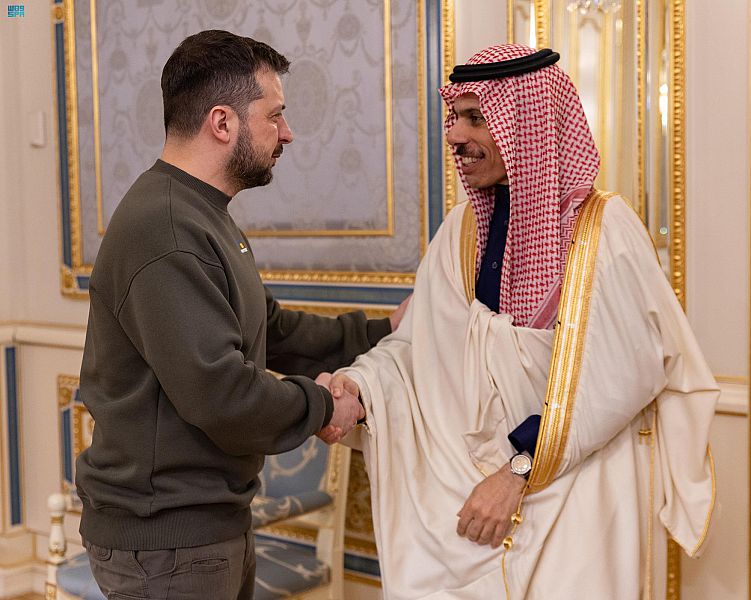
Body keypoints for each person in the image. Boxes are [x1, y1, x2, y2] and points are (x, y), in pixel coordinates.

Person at [323, 44, 718, 599]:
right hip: (470, 493)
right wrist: (361, 388)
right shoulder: (460, 231)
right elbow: (417, 351)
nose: (454, 135)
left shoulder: (605, 232)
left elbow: (615, 378)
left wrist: (517, 471)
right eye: (454, 117)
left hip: (580, 494)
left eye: (475, 118)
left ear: (527, 126)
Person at [75, 30, 407, 600]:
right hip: (167, 545)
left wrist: (382, 332)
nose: (288, 132)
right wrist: (326, 405)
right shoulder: (167, 228)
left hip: (203, 530)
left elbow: (271, 329)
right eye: (274, 115)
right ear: (223, 123)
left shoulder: (200, 212)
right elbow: (222, 395)